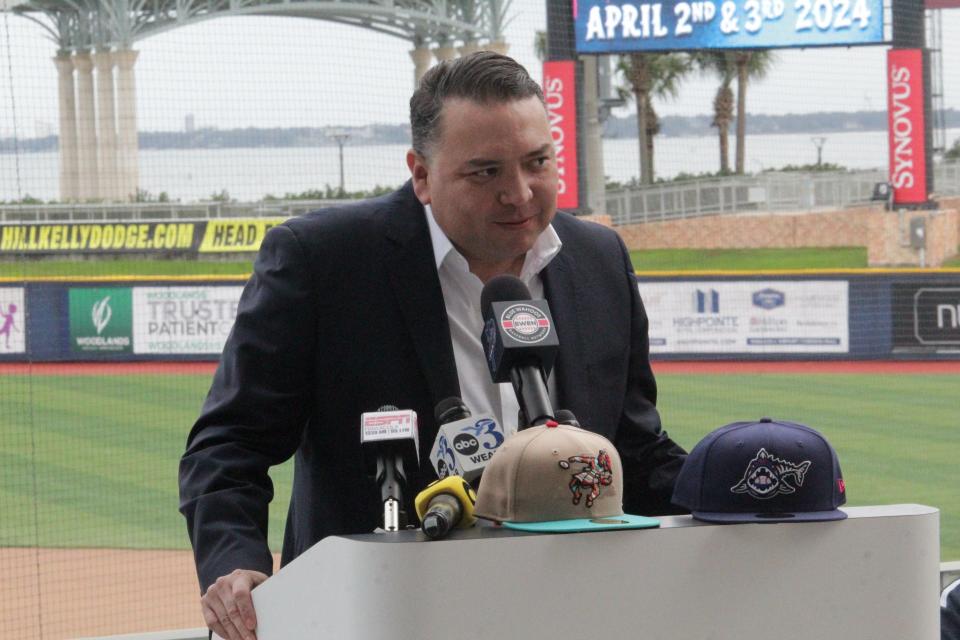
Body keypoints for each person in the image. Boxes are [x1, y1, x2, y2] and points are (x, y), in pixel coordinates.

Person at [179, 51, 687, 640]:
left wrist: (738, 482)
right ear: (420, 173)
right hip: (382, 614)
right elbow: (229, 443)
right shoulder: (323, 261)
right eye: (486, 172)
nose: (519, 193)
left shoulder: (599, 260)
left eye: (536, 163)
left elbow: (635, 446)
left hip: (572, 609)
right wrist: (235, 561)